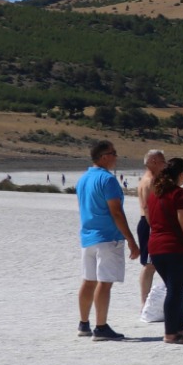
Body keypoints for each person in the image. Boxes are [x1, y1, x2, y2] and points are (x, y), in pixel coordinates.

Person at [76, 140, 139, 340]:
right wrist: (130, 239)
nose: (116, 157)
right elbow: (116, 212)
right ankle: (101, 327)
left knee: (89, 280)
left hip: (88, 236)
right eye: (113, 153)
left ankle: (83, 323)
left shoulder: (83, 178)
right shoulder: (107, 180)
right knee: (104, 282)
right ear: (104, 156)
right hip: (108, 237)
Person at [144, 157, 183, 344]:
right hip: (175, 248)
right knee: (175, 291)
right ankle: (171, 333)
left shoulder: (154, 194)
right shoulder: (179, 194)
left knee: (176, 290)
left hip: (156, 247)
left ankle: (180, 329)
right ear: (180, 174)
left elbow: (152, 218)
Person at [134, 149, 166, 307]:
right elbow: (147, 208)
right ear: (153, 162)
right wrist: (156, 227)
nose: (165, 164)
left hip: (150, 223)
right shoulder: (149, 180)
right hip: (149, 224)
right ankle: (144, 301)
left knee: (153, 264)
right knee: (149, 265)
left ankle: (148, 301)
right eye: (162, 161)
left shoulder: (152, 178)